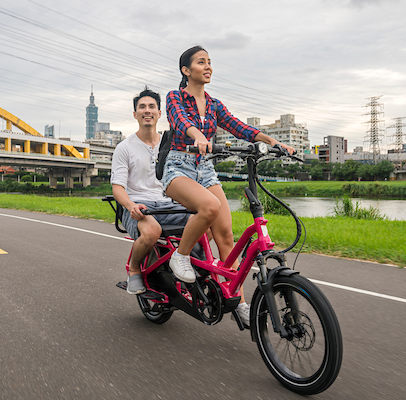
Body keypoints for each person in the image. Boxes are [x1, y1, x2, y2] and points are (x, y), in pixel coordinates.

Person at [162, 45, 295, 324]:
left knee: (225, 235)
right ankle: (180, 256)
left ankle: (240, 303)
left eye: (210, 62)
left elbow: (237, 126)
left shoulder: (214, 104)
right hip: (178, 167)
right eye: (201, 62)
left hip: (205, 169)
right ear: (186, 71)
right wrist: (198, 136)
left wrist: (272, 141)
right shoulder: (175, 96)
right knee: (209, 207)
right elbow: (179, 119)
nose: (208, 66)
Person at [111, 87, 191, 295]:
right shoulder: (125, 147)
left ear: (159, 113)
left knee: (207, 220)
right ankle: (135, 270)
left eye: (152, 107)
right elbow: (118, 187)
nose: (147, 110)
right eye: (142, 107)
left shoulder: (171, 145)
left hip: (169, 205)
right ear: (135, 114)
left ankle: (182, 260)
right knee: (152, 231)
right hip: (138, 207)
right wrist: (130, 206)